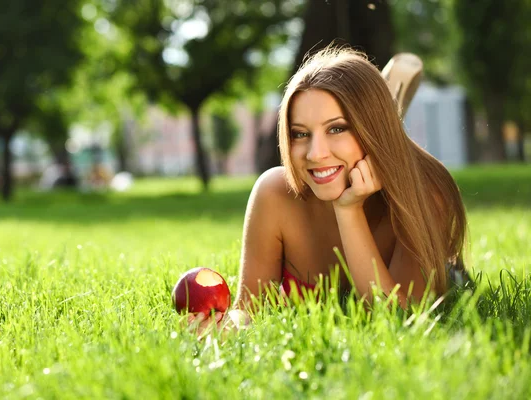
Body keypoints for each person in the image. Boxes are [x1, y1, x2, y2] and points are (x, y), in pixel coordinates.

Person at [189, 46, 469, 334]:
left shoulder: (424, 193)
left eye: (337, 128)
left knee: (454, 278)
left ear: (373, 130)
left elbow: (398, 319)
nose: (315, 153)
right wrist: (226, 327)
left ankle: (386, 115)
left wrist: (348, 210)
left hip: (444, 268)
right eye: (300, 134)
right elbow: (249, 309)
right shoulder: (274, 193)